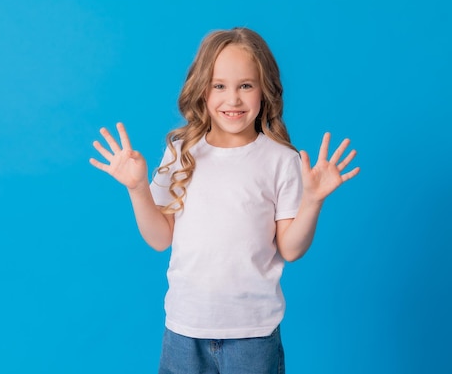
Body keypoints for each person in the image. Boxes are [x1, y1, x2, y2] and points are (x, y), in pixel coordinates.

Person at [89, 27, 360, 374]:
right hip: (184, 330)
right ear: (202, 89)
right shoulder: (181, 152)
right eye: (219, 86)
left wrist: (313, 200)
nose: (232, 99)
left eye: (246, 85)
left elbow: (290, 248)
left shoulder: (281, 160)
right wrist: (138, 188)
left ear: (266, 91)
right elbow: (160, 239)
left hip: (254, 334)